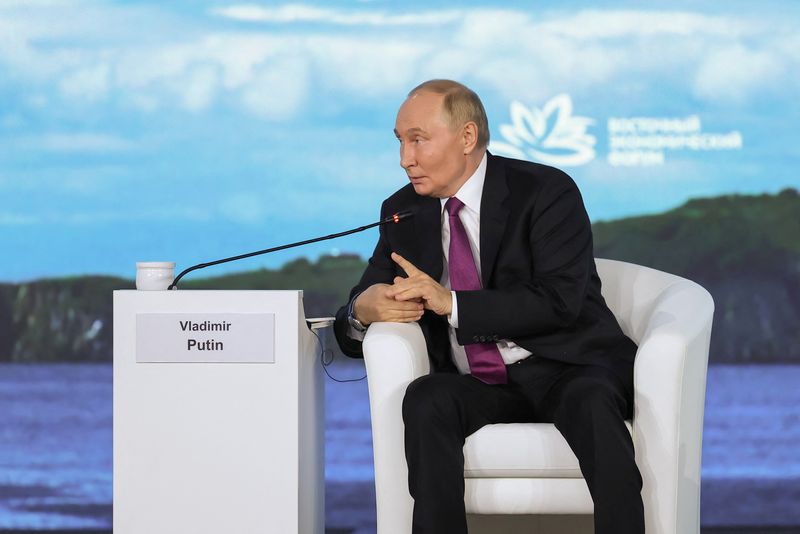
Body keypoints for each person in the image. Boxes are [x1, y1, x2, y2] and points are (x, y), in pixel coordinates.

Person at [333, 79, 644, 534]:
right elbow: (352, 329)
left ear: (467, 137)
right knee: (426, 399)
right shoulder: (403, 211)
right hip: (479, 382)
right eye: (400, 142)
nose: (405, 159)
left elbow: (560, 302)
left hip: (567, 365)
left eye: (418, 140)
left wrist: (452, 303)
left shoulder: (544, 191)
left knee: (592, 400)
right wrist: (362, 310)